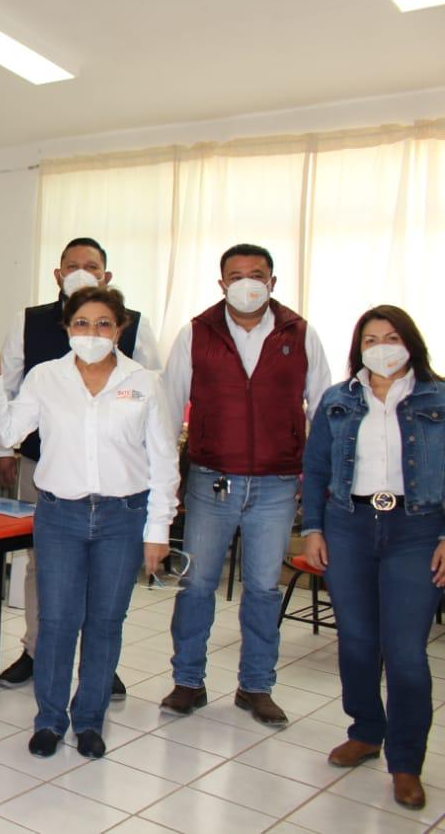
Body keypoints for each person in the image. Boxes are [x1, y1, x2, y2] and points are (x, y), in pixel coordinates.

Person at [0, 286, 178, 759]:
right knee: (56, 622)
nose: (92, 333)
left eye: (103, 324)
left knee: (106, 622)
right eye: (82, 323)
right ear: (68, 328)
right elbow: (6, 432)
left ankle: (90, 719)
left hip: (123, 517)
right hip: (60, 516)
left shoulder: (144, 382)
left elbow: (164, 461)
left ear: (120, 329)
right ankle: (50, 720)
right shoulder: (45, 377)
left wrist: (158, 531)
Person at [161, 242, 331, 726]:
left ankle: (256, 686)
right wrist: (167, 481)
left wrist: (315, 483)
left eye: (257, 275)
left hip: (277, 485)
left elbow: (322, 411)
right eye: (236, 276)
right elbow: (168, 409)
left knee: (262, 589)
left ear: (272, 282)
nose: (247, 284)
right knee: (196, 585)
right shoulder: (196, 333)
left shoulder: (300, 334)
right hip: (211, 481)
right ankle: (187, 681)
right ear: (222, 284)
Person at [0, 237, 160, 694]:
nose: (81, 272)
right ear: (58, 274)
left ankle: (99, 664)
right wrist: (2, 451)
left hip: (116, 481)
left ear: (107, 276)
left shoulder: (135, 326)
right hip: (45, 466)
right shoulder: (28, 321)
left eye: (91, 266)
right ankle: (36, 650)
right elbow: (7, 389)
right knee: (43, 569)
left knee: (106, 584)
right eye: (72, 266)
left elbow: (152, 394)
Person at [301, 305, 445, 811]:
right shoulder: (338, 399)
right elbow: (316, 468)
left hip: (417, 530)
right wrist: (313, 528)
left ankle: (406, 762)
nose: (381, 348)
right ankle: (365, 731)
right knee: (357, 642)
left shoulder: (438, 397)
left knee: (405, 652)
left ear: (411, 343)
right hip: (349, 525)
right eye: (370, 340)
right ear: (358, 348)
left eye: (391, 338)